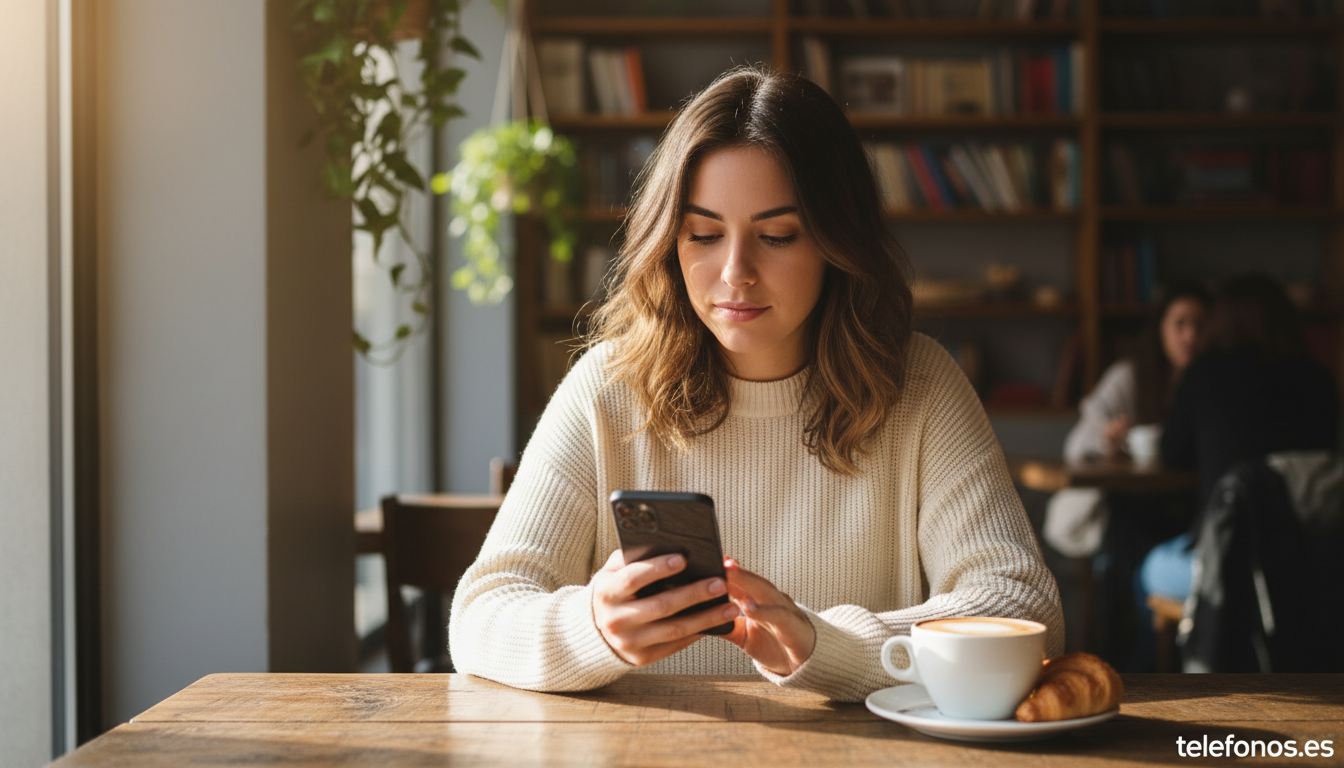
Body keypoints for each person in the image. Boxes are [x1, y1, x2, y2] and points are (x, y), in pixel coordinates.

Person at [448, 66, 1063, 702]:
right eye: (705, 234)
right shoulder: (606, 388)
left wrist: (828, 647)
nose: (735, 272)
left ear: (835, 241)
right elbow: (479, 618)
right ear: (670, 238)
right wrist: (592, 629)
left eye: (776, 236)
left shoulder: (921, 385)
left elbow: (1026, 609)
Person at [1140, 273, 1340, 606]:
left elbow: (1172, 453)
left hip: (1228, 556)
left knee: (1148, 570)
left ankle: (1170, 659)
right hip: (1312, 562)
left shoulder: (1204, 374)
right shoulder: (1320, 381)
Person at [1044, 283, 1209, 671]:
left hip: (1189, 504)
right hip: (1134, 505)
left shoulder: (1210, 382)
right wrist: (1107, 440)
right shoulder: (1131, 377)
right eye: (1180, 324)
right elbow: (1078, 442)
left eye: (1200, 325)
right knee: (1125, 533)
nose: (1190, 335)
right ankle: (1125, 656)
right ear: (1160, 330)